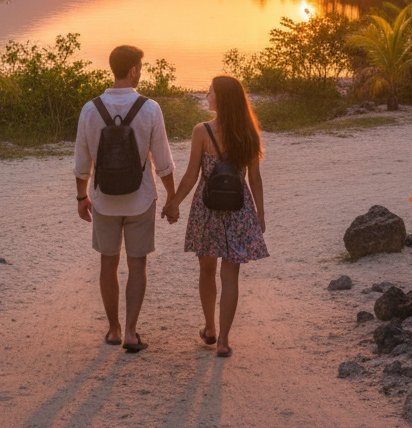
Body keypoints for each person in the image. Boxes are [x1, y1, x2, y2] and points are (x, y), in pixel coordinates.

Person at [74, 44, 176, 353]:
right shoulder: (150, 108)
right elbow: (163, 161)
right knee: (137, 265)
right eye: (140, 67)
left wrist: (82, 197)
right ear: (132, 70)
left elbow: (82, 163)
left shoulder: (91, 109)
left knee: (108, 263)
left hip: (104, 200)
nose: (141, 72)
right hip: (140, 200)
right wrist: (172, 197)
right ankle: (132, 332)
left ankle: (114, 330)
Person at [162, 75, 267, 357]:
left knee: (206, 270)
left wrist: (174, 203)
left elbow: (191, 175)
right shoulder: (249, 134)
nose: (207, 95)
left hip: (206, 209)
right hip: (239, 210)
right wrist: (260, 215)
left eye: (210, 92)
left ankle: (209, 328)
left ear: (220, 98)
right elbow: (254, 180)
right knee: (230, 275)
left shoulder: (202, 131)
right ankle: (223, 341)